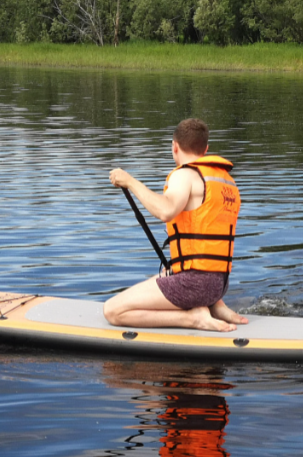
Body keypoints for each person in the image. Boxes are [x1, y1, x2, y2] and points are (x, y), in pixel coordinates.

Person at [103, 118, 247, 332]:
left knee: (113, 311)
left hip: (196, 284)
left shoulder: (185, 175)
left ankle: (194, 317)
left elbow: (166, 211)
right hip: (219, 283)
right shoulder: (225, 181)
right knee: (160, 277)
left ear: (174, 146)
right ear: (206, 149)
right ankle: (215, 305)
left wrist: (130, 181)